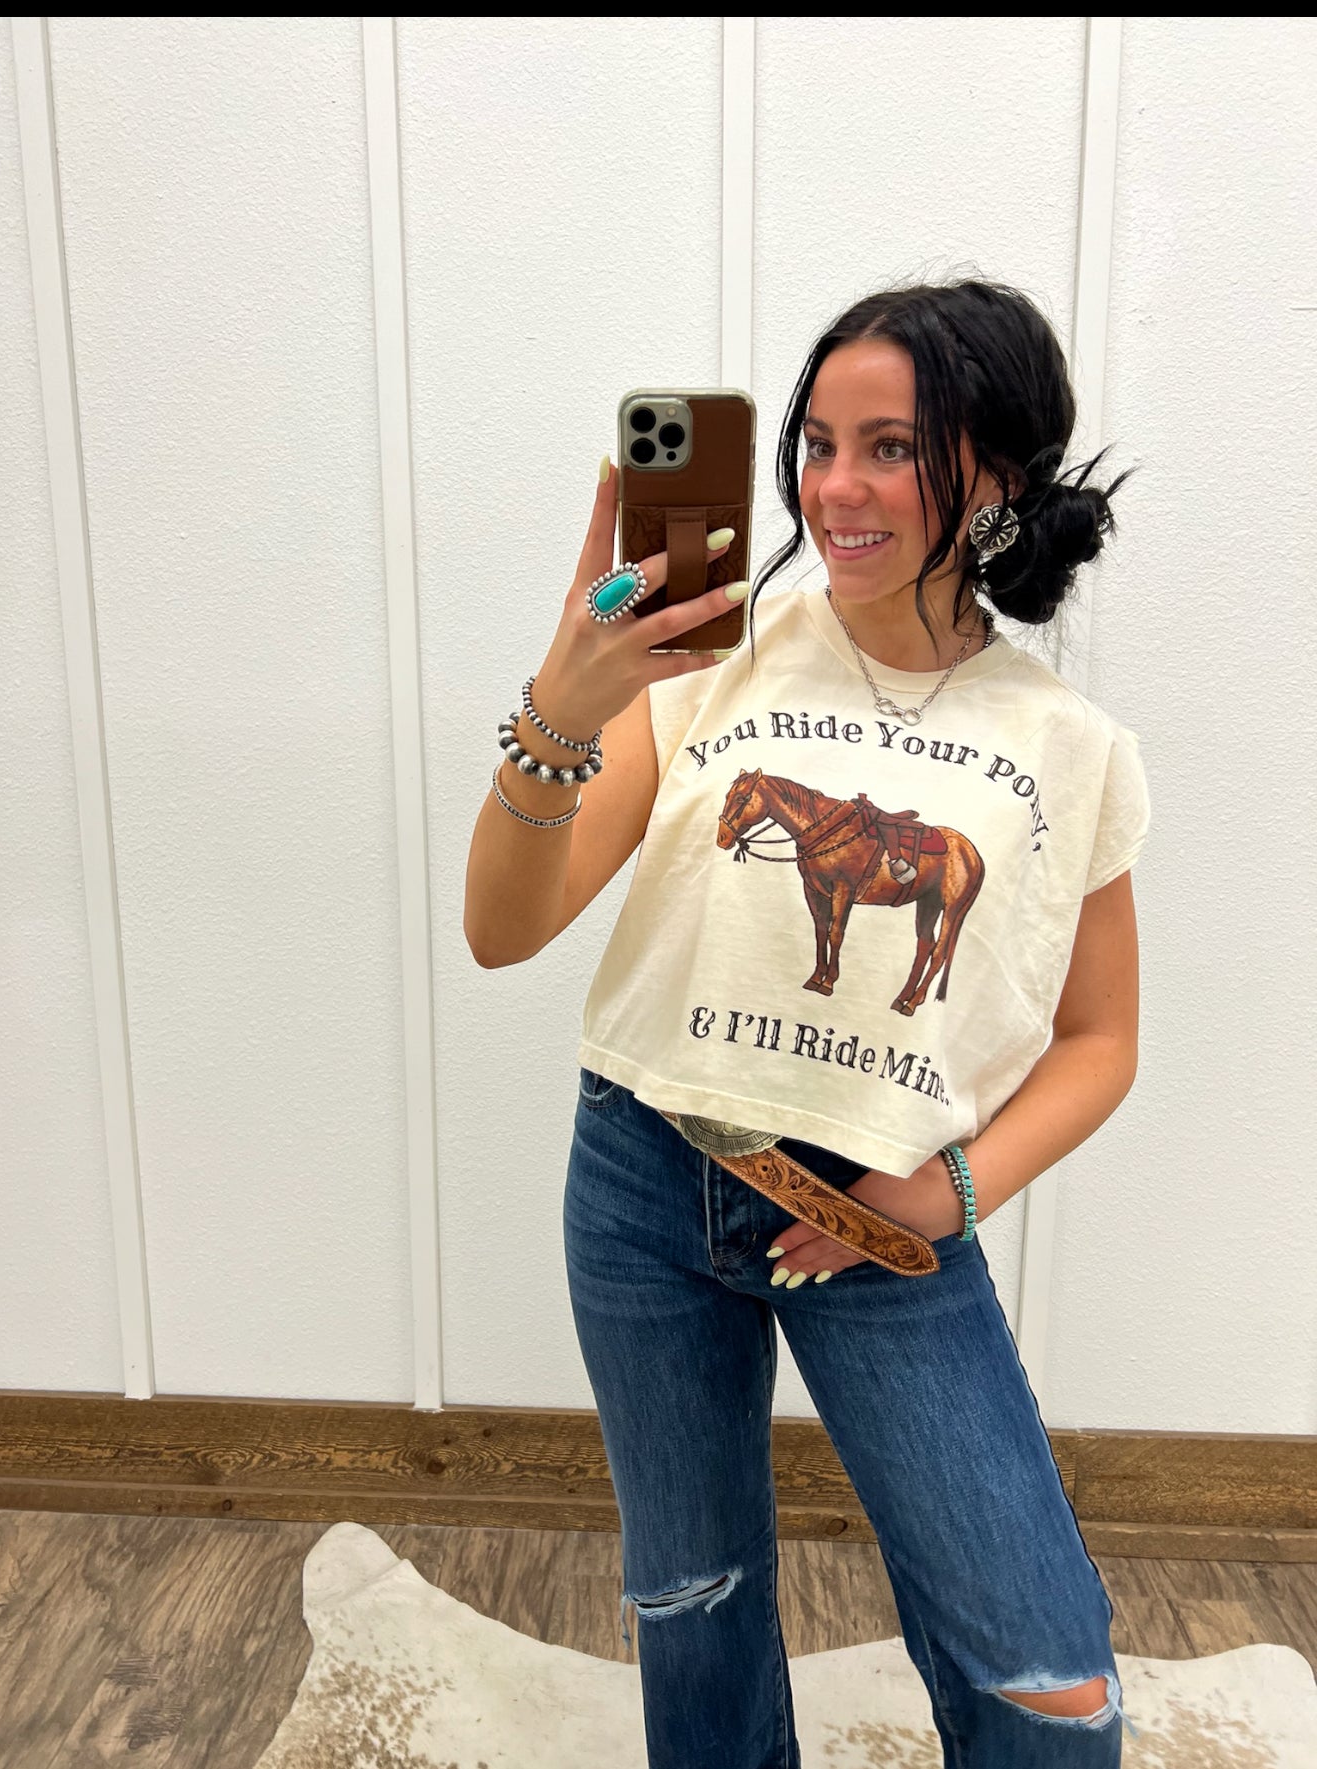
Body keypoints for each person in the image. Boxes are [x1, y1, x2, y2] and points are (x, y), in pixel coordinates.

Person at [464, 278, 1150, 1768]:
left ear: (997, 473)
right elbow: (503, 928)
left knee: (1046, 1674)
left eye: (892, 446)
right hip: (644, 1175)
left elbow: (1102, 1038)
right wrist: (565, 705)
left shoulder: (1070, 746)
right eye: (818, 442)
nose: (836, 487)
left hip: (877, 1212)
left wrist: (944, 1191)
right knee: (693, 1602)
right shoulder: (712, 661)